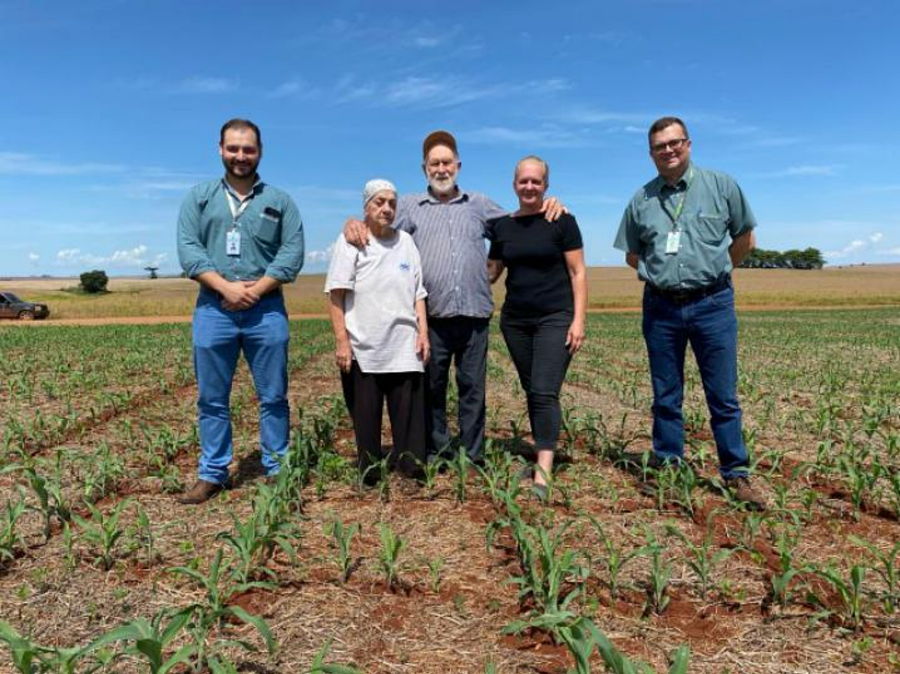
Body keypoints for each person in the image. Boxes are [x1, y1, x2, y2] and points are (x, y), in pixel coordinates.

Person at [344, 131, 564, 465]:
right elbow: (376, 224)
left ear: (458, 165)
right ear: (425, 169)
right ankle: (438, 450)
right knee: (431, 390)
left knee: (472, 390)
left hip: (474, 316)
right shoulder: (408, 207)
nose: (442, 169)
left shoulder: (479, 204)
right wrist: (352, 223)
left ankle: (473, 455)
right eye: (435, 163)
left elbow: (518, 223)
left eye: (447, 162)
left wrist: (552, 205)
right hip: (432, 317)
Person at [613, 116, 765, 509]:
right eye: (660, 146)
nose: (668, 150)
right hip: (661, 306)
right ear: (651, 153)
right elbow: (632, 252)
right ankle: (667, 466)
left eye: (674, 143)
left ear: (688, 144)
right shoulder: (641, 200)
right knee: (666, 395)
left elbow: (745, 238)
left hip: (712, 304)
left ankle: (736, 474)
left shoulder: (720, 186)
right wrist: (655, 272)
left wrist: (716, 270)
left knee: (723, 396)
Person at [176, 118, 304, 504]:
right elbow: (189, 250)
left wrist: (256, 290)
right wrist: (226, 288)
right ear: (220, 149)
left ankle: (277, 467)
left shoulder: (280, 202)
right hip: (213, 311)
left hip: (266, 311)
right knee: (212, 398)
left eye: (248, 149)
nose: (240, 156)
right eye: (233, 148)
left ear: (260, 152)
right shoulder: (198, 198)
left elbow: (291, 253)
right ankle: (212, 473)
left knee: (274, 396)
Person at [487, 156, 587, 500]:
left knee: (544, 390)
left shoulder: (562, 220)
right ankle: (542, 447)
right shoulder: (502, 227)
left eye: (536, 181)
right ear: (514, 184)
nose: (529, 187)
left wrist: (578, 319)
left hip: (555, 317)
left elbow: (578, 273)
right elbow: (491, 272)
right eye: (523, 181)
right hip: (515, 321)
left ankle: (543, 471)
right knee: (534, 390)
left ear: (546, 185)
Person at [326, 180, 429, 484]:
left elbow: (418, 292)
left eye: (391, 203)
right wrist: (342, 342)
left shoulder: (406, 242)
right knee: (366, 419)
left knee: (409, 419)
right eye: (379, 202)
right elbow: (336, 294)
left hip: (404, 346)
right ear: (366, 207)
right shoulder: (352, 241)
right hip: (364, 348)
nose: (386, 208)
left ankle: (411, 473)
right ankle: (369, 475)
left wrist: (423, 332)